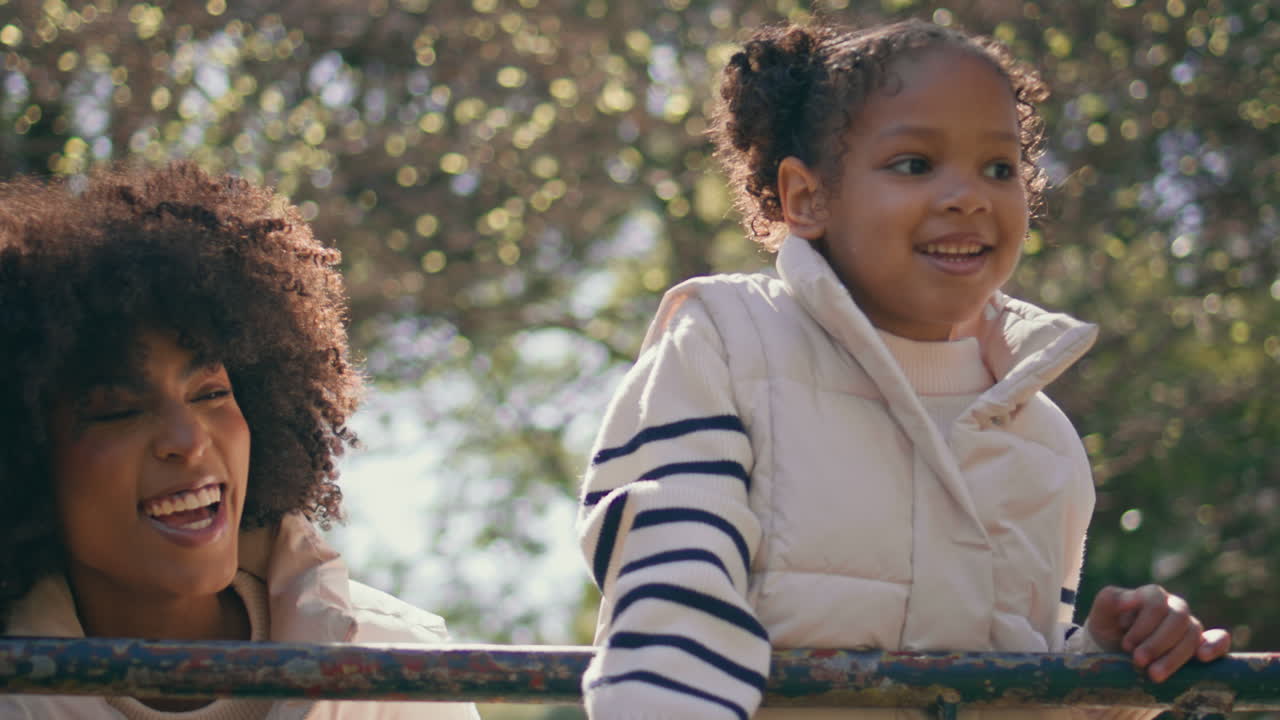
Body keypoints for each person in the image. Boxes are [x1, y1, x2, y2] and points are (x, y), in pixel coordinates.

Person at [576, 19, 1230, 720]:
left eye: (1000, 169)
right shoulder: (729, 341)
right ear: (807, 197)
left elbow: (1012, 688)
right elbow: (670, 597)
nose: (970, 196)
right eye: (916, 164)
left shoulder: (1045, 440)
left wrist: (1101, 671)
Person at [0, 162, 479, 720]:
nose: (186, 439)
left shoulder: (397, 676)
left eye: (210, 394)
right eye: (121, 411)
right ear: (26, 458)